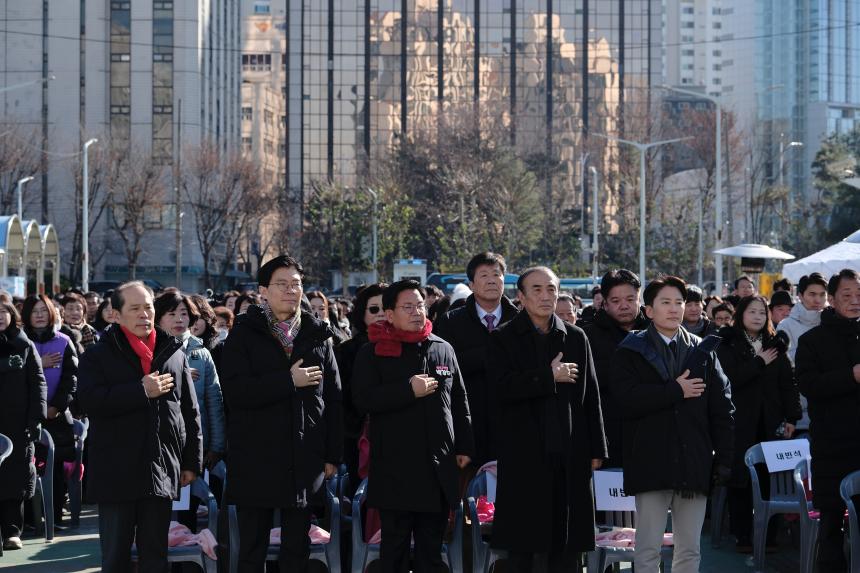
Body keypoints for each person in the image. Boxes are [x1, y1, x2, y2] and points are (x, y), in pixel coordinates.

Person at [220, 255, 342, 573]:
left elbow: (333, 400)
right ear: (263, 291)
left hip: (304, 456)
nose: (291, 291)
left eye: (296, 284)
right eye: (282, 284)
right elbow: (236, 393)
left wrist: (331, 455)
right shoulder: (244, 334)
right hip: (256, 456)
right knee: (252, 550)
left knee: (297, 549)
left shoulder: (317, 335)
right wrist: (288, 381)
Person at [487, 267, 606, 571]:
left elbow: (591, 397)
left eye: (551, 289)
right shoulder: (503, 338)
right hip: (523, 452)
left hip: (569, 450)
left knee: (567, 544)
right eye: (537, 289)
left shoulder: (576, 337)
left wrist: (596, 449)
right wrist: (547, 376)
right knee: (523, 545)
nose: (545, 296)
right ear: (521, 297)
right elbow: (499, 389)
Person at [611, 275, 734, 573]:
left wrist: (724, 460)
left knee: (690, 549)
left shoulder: (703, 350)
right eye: (665, 302)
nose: (674, 308)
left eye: (679, 302)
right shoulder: (630, 350)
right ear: (649, 310)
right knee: (647, 548)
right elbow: (625, 401)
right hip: (650, 461)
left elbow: (723, 409)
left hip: (694, 461)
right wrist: (675, 391)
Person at [77, 281, 202, 573]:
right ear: (115, 314)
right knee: (116, 557)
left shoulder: (173, 352)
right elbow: (89, 403)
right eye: (134, 308)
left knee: (155, 557)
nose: (144, 314)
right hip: (115, 471)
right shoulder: (97, 355)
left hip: (160, 469)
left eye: (148, 307)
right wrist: (139, 391)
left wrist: (190, 461)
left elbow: (189, 412)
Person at [352, 279, 474, 573]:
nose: (417, 311)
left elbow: (459, 400)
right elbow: (362, 399)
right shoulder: (373, 352)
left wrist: (464, 447)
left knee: (431, 555)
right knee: (393, 553)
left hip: (437, 470)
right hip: (395, 472)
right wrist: (407, 389)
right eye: (407, 306)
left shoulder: (442, 348)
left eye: (420, 305)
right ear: (390, 314)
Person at [716, 295, 800, 553]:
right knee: (740, 480)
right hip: (739, 422)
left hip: (771, 422)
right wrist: (758, 362)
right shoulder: (728, 343)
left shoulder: (776, 344)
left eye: (762, 313)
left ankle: (770, 537)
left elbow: (788, 384)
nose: (757, 317)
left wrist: (792, 417)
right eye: (751, 312)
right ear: (740, 314)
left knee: (771, 479)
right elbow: (729, 380)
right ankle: (743, 536)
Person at [796, 268, 860, 572]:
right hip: (832, 446)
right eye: (847, 296)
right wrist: (851, 376)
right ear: (831, 300)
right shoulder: (812, 341)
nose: (855, 301)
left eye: (859, 295)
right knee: (832, 524)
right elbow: (809, 386)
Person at [435, 252, 518, 466]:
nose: (492, 280)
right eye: (484, 275)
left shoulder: (520, 321)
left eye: (497, 274)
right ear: (471, 284)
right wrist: (489, 355)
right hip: (468, 425)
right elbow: (443, 371)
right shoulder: (450, 322)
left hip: (512, 425)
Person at [154, 292, 226, 484]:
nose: (179, 319)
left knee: (190, 509)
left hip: (195, 444)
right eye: (171, 314)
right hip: (159, 445)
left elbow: (214, 401)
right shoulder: (149, 350)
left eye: (184, 313)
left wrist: (216, 445)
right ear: (158, 318)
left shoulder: (201, 353)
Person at [581, 269, 649, 468]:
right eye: (616, 301)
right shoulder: (587, 336)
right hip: (607, 439)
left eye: (630, 299)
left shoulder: (656, 331)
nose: (624, 306)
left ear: (639, 298)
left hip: (651, 438)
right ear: (605, 302)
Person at [22, 295, 79, 527]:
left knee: (54, 470)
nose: (39, 315)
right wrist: (38, 362)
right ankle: (27, 519)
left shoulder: (65, 340)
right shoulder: (18, 341)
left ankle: (54, 515)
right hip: (25, 416)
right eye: (34, 311)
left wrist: (56, 407)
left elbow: (71, 379)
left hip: (56, 416)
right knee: (26, 468)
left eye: (43, 310)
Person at [0, 301, 46, 551]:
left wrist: (35, 418)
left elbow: (38, 383)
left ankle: (12, 531)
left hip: (17, 424)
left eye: (3, 311)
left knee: (14, 479)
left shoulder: (24, 344)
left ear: (12, 315)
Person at [335, 282, 387, 496]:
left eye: (387, 307)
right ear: (362, 313)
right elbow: (341, 398)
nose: (381, 314)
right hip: (358, 438)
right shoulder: (346, 351)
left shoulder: (412, 347)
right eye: (374, 309)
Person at [778, 272, 828, 437]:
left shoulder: (832, 322)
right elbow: (784, 369)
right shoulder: (786, 325)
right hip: (797, 410)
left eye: (822, 294)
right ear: (800, 295)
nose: (817, 300)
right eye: (812, 294)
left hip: (827, 405)